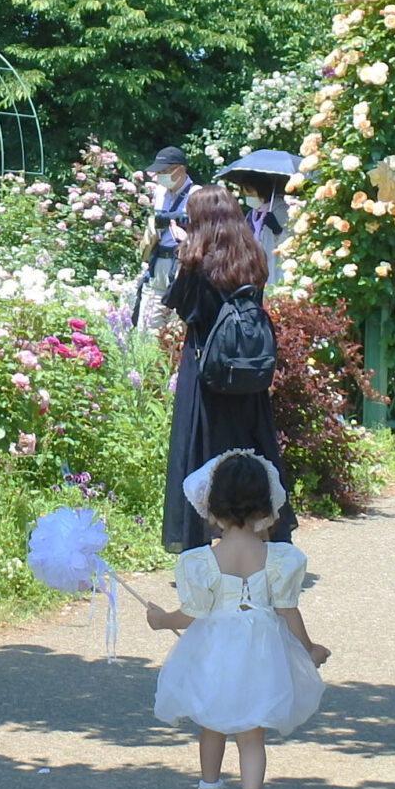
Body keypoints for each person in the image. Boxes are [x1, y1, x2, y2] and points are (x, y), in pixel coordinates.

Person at [146, 451, 330, 789]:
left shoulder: (200, 562)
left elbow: (191, 614)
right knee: (251, 732)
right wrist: (309, 648)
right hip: (261, 656)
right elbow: (287, 611)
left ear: (211, 507)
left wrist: (163, 621)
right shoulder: (279, 558)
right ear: (266, 506)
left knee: (211, 723)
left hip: (215, 654)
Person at [162, 186, 293, 551]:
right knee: (251, 450)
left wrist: (182, 251)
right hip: (247, 368)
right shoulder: (251, 254)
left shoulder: (197, 259)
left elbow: (184, 308)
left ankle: (198, 541)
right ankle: (262, 534)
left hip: (208, 370)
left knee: (201, 452)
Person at [134, 146, 196, 327]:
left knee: (177, 325)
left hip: (181, 261)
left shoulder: (196, 194)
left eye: (165, 171)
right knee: (147, 324)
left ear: (181, 169)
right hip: (158, 259)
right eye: (159, 172)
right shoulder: (160, 192)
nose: (161, 176)